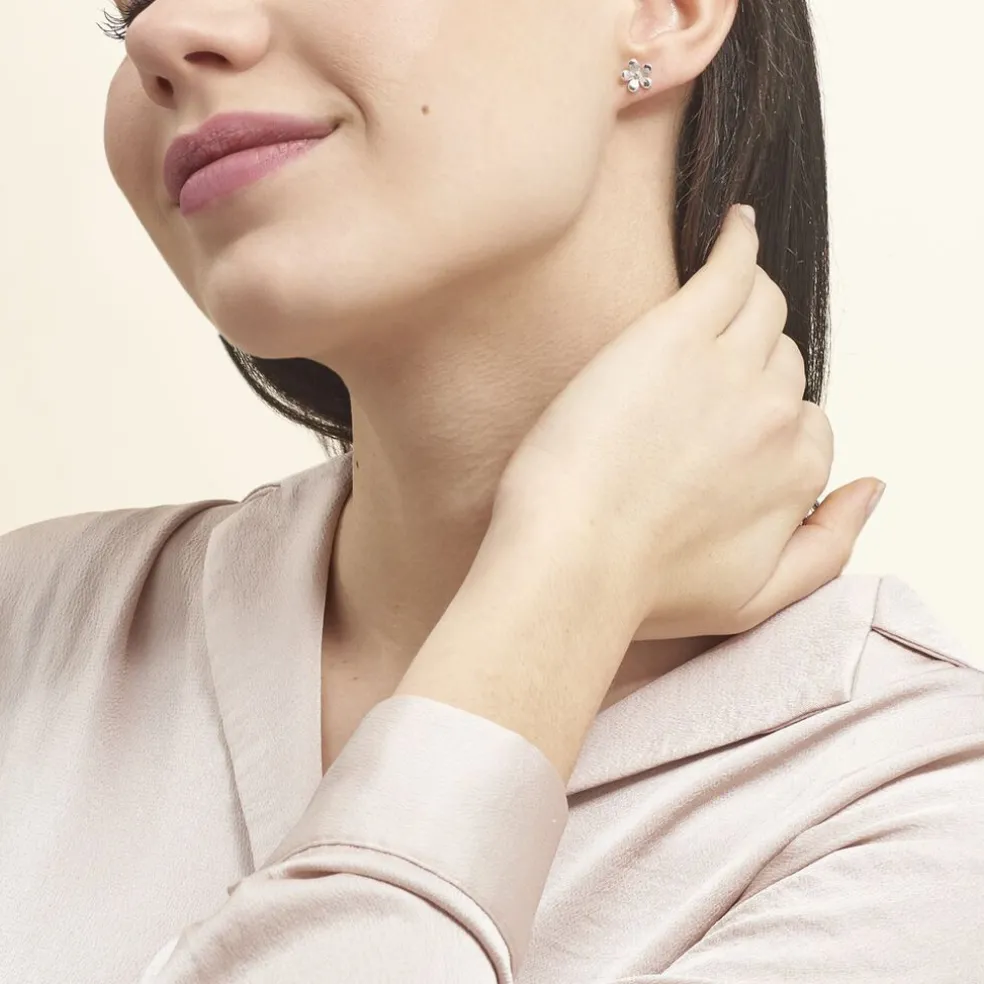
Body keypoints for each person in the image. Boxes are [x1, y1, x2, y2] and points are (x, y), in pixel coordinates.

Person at [1, 0, 981, 981]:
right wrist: (566, 581)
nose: (163, 32)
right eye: (129, 4)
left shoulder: (916, 819)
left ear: (663, 13)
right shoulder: (30, 627)